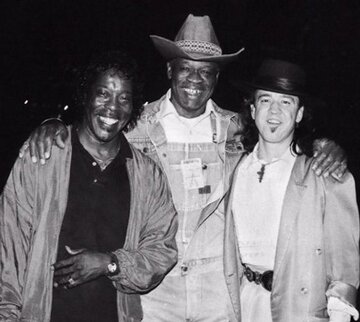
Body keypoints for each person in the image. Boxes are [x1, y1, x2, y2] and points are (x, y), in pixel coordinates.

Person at [18, 15, 348, 321]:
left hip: (219, 293)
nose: (194, 79)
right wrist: (52, 125)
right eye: (185, 69)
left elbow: (283, 139)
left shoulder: (239, 131)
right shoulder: (136, 126)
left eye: (205, 71)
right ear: (169, 72)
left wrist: (325, 146)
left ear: (217, 78)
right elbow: (90, 131)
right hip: (156, 294)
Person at [0, 50, 178, 322]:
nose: (112, 107)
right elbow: (9, 246)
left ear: (134, 107)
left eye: (124, 98)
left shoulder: (147, 174)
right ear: (86, 96)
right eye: (103, 93)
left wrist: (110, 263)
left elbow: (162, 250)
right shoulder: (42, 158)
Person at [225, 59, 359, 322]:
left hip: (299, 310)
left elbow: (343, 266)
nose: (274, 112)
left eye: (286, 102)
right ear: (252, 110)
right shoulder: (233, 170)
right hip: (244, 306)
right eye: (265, 100)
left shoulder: (326, 176)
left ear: (299, 114)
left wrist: (339, 315)